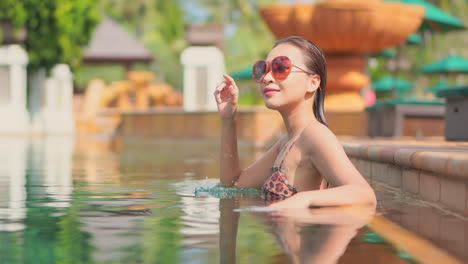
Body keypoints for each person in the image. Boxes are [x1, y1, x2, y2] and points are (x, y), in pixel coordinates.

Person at [213, 36, 376, 209]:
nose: (267, 78)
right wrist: (229, 120)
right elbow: (234, 185)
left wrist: (304, 199)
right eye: (263, 69)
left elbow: (364, 194)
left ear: (312, 83)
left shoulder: (315, 135)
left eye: (281, 67)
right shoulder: (286, 142)